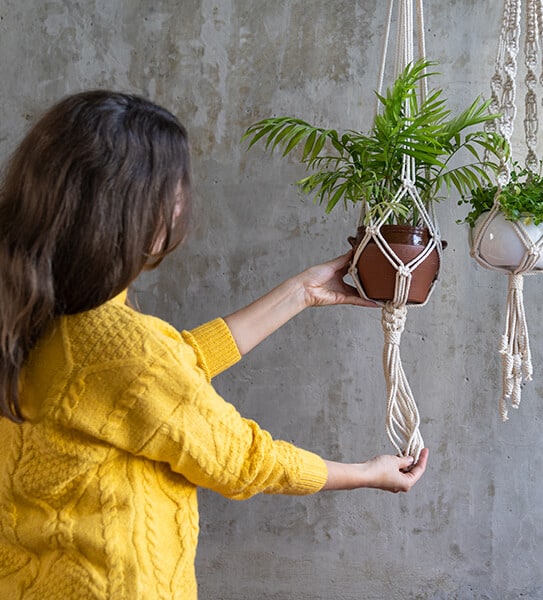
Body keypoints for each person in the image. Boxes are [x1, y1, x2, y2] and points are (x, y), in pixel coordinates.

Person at [0, 90, 428, 599]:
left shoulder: (32, 318)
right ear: (127, 208)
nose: (182, 204)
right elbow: (240, 457)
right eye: (173, 191)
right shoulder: (119, 347)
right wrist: (366, 473)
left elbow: (165, 372)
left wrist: (300, 293)